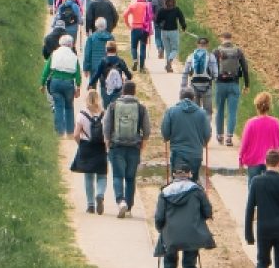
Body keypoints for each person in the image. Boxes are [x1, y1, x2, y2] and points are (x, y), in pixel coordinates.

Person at [154, 165, 216, 268]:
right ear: (189, 173)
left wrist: (160, 230)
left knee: (169, 264)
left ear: (174, 175)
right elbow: (207, 211)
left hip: (171, 234)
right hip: (192, 232)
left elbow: (159, 217)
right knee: (189, 264)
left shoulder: (164, 192)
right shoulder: (197, 190)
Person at [103, 81, 150, 218]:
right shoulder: (141, 108)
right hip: (134, 146)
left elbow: (106, 126)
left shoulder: (113, 106)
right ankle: (129, 207)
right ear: (134, 92)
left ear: (122, 91)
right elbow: (146, 129)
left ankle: (121, 201)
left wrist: (107, 142)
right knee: (130, 178)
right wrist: (143, 144)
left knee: (118, 176)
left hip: (116, 146)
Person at [159, 87, 212, 182]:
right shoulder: (202, 113)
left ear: (180, 97)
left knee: (177, 183)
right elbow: (207, 134)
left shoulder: (171, 111)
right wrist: (203, 144)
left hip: (178, 154)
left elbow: (165, 134)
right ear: (193, 98)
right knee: (193, 182)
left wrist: (167, 137)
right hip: (195, 155)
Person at [71, 90, 110, 214]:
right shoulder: (105, 114)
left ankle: (91, 205)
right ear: (98, 99)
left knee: (88, 177)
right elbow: (108, 133)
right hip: (101, 147)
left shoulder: (81, 115)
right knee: (102, 175)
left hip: (86, 146)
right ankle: (100, 194)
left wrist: (80, 144)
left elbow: (76, 134)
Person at [237, 92, 279, 183]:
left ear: (257, 106)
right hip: (271, 161)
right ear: (269, 106)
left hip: (253, 160)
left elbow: (244, 143)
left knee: (253, 188)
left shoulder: (250, 123)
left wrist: (240, 159)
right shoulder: (276, 123)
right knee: (270, 189)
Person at [212, 33, 250, 146]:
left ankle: (219, 135)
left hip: (220, 84)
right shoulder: (238, 51)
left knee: (219, 110)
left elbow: (210, 67)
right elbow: (245, 68)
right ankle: (229, 137)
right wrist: (247, 84)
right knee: (232, 112)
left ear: (222, 39)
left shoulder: (217, 51)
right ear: (231, 39)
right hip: (234, 84)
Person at [41, 34, 81, 136]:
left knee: (58, 106)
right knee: (69, 107)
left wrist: (42, 84)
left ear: (60, 43)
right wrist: (78, 87)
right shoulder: (74, 57)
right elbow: (77, 74)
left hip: (55, 82)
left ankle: (59, 131)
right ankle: (70, 132)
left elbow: (46, 70)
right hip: (68, 84)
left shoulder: (54, 54)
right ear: (71, 44)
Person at [153, 0, 187, 72]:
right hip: (173, 32)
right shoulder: (176, 9)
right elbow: (182, 19)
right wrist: (183, 27)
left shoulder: (161, 10)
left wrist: (160, 24)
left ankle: (169, 67)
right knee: (175, 49)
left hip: (164, 32)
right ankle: (170, 60)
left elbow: (156, 21)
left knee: (168, 50)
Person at [183, 36, 217, 114]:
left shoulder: (191, 56)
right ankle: (207, 125)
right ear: (208, 45)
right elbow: (215, 73)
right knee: (207, 111)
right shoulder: (211, 57)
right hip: (207, 86)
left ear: (197, 44)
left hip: (193, 86)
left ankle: (196, 126)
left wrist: (184, 87)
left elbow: (185, 73)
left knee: (194, 111)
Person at [124, 0, 153, 72]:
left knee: (133, 47)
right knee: (143, 48)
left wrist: (128, 24)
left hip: (135, 28)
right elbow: (151, 17)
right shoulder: (147, 6)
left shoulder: (133, 5)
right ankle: (142, 67)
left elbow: (125, 14)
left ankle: (135, 60)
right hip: (144, 29)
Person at [82, 17, 113, 83]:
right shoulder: (110, 37)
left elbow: (87, 53)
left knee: (92, 85)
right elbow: (114, 52)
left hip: (94, 65)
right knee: (105, 86)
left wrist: (86, 68)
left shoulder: (91, 38)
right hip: (107, 65)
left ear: (96, 26)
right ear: (105, 26)